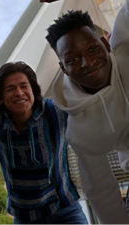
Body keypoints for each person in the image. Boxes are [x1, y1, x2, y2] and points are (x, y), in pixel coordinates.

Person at [45, 1, 129, 224]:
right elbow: (102, 193)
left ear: (105, 43)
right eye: (72, 59)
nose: (88, 62)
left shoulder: (126, 48)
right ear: (63, 68)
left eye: (92, 48)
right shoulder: (80, 131)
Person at [0, 61, 87, 225]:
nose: (19, 93)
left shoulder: (57, 112)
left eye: (24, 86)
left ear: (33, 89)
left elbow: (87, 101)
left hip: (66, 212)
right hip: (25, 218)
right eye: (10, 88)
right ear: (1, 97)